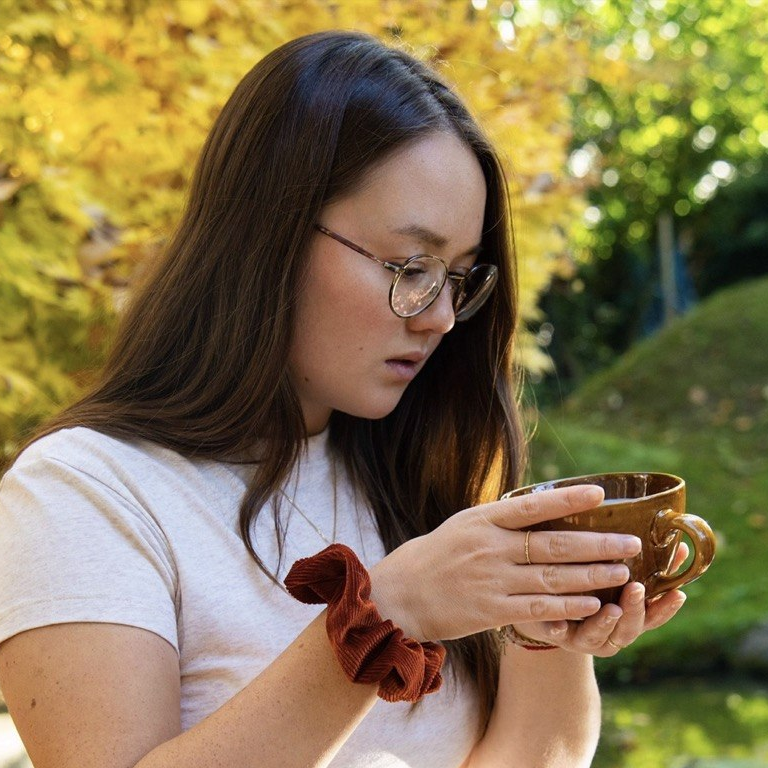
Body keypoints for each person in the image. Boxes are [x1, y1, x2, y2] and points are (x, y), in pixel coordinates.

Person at [0, 30, 687, 768]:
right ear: (269, 235)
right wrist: (385, 615)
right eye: (411, 265)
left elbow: (532, 753)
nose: (440, 317)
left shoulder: (419, 477)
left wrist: (545, 627)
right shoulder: (82, 492)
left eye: (459, 277)